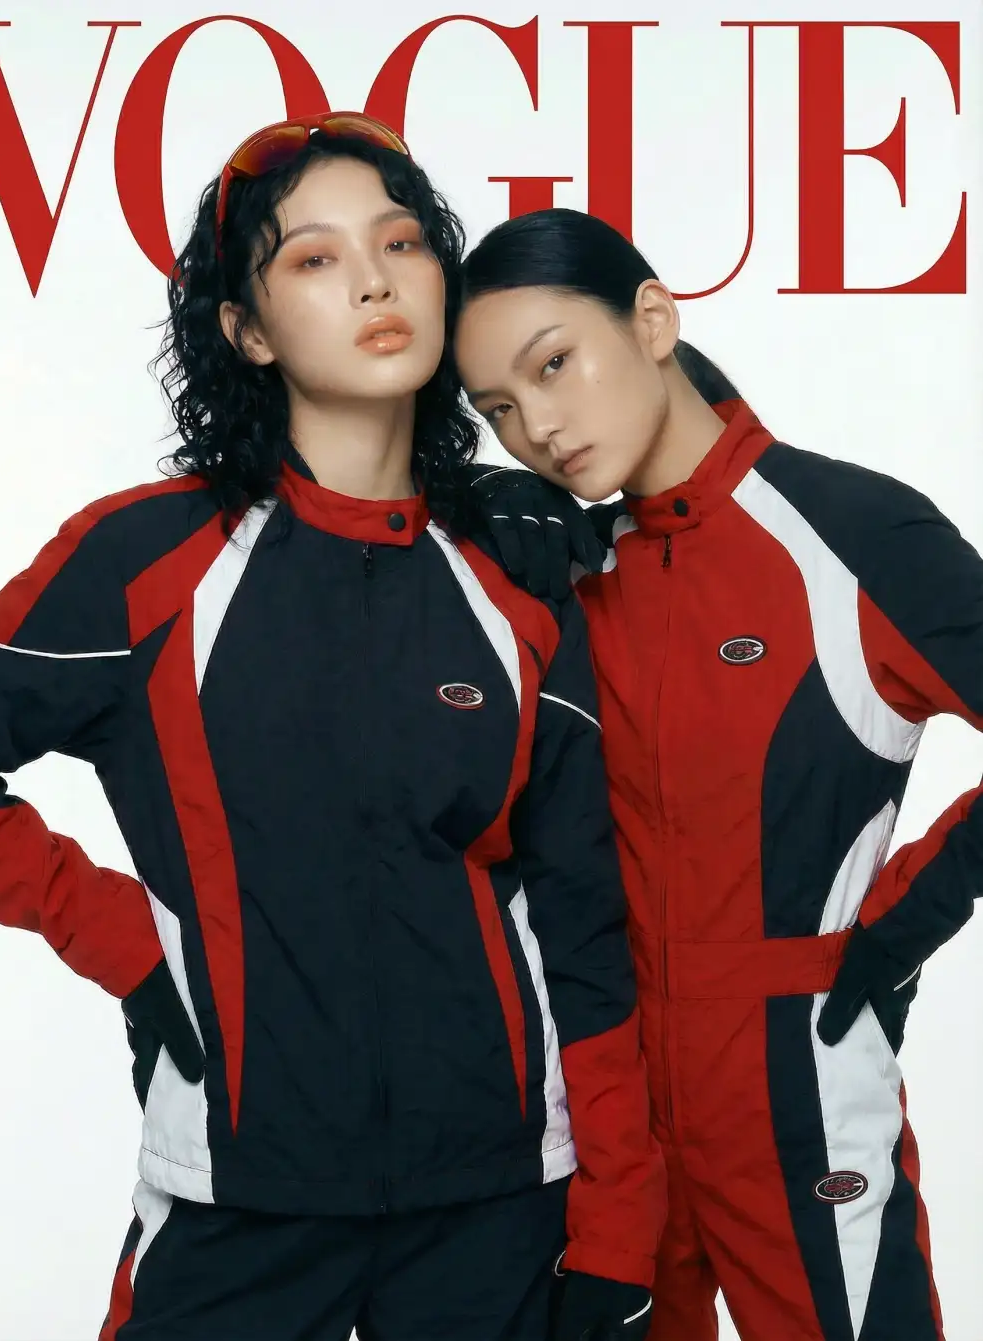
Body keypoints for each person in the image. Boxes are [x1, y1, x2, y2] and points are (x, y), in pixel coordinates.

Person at [0, 123, 665, 1339]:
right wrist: (132, 944)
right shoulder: (148, 560)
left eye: (402, 245)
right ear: (247, 331)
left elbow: (583, 917)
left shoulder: (519, 570)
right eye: (314, 259)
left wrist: (622, 1220)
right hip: (237, 1198)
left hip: (499, 1204)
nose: (373, 282)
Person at [454, 206, 979, 1341]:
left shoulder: (852, 532)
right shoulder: (562, 574)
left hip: (796, 1084)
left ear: (652, 320)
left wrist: (898, 925)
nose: (538, 427)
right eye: (497, 410)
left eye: (554, 364)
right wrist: (469, 518)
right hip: (601, 1122)